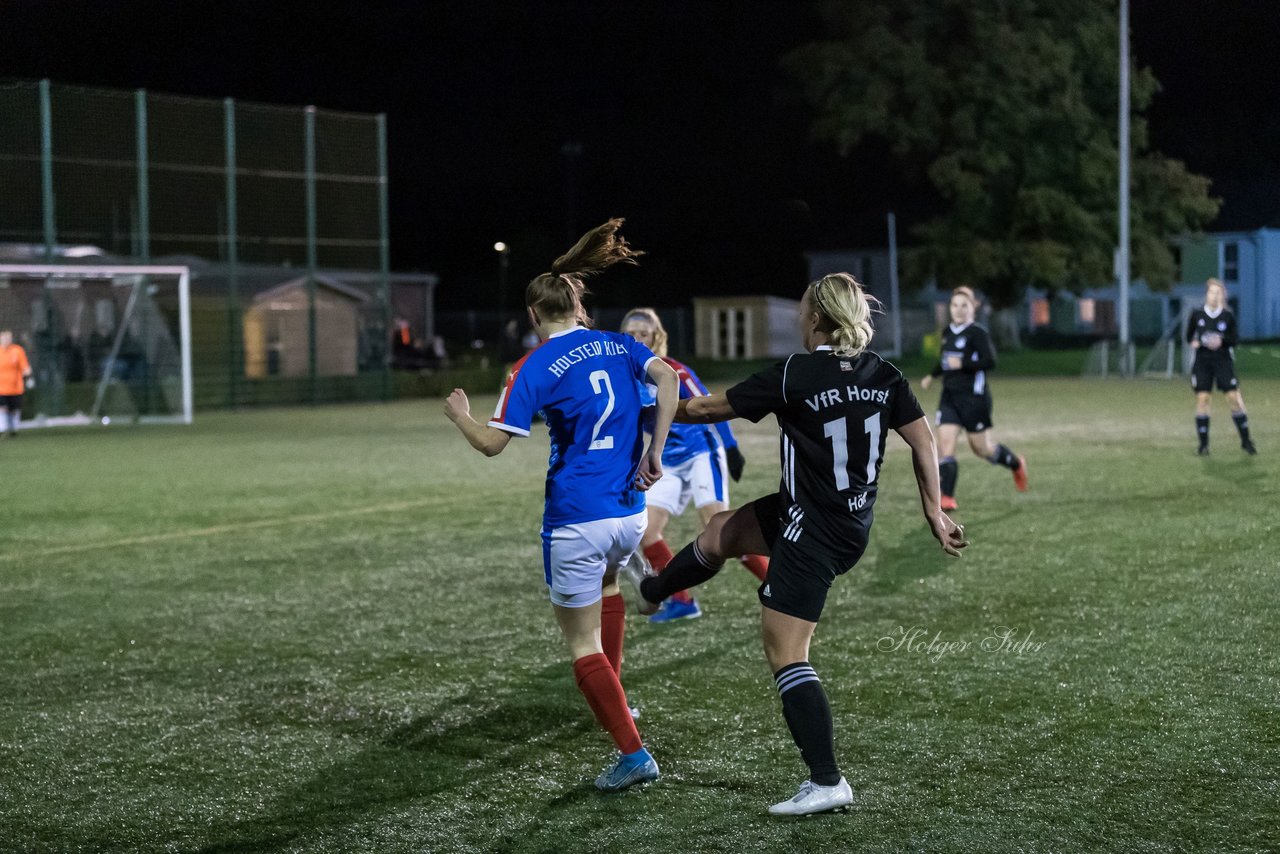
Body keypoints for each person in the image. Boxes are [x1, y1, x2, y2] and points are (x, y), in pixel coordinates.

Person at [621, 273, 967, 815]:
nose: (799, 318)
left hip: (813, 532)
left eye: (804, 310)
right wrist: (933, 514)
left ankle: (828, 781)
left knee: (785, 652)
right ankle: (654, 589)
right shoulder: (883, 373)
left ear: (818, 319)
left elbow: (708, 409)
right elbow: (922, 438)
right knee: (724, 532)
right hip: (838, 520)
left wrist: (643, 409)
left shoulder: (796, 374)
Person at [443, 219, 679, 792]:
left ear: (533, 317)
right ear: (580, 306)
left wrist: (460, 415)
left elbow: (493, 444)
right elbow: (669, 380)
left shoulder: (531, 367)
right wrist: (654, 452)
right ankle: (616, 695)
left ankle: (632, 753)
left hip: (576, 517)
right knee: (609, 590)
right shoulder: (622, 345)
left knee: (581, 645)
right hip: (628, 513)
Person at [619, 307, 770, 623]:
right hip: (666, 460)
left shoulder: (673, 371)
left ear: (656, 337)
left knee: (722, 530)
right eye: (629, 333)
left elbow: (713, 406)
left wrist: (730, 448)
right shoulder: (623, 378)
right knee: (646, 532)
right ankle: (681, 600)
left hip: (700, 452)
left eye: (642, 334)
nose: (635, 339)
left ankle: (781, 589)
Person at [919, 286, 1027, 511]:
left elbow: (990, 362)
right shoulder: (948, 332)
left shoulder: (978, 333)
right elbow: (945, 360)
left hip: (974, 400)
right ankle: (947, 497)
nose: (958, 310)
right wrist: (932, 375)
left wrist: (964, 364)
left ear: (973, 309)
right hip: (949, 397)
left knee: (982, 449)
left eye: (964, 306)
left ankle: (1016, 464)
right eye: (955, 305)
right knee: (945, 445)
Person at [1187, 278, 1256, 455]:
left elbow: (1235, 340)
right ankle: (1203, 446)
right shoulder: (1197, 315)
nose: (1214, 296)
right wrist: (1195, 341)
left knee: (1234, 398)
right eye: (1211, 292)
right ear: (1207, 294)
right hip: (1203, 362)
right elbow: (1190, 337)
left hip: (1223, 361)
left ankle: (1246, 441)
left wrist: (1222, 340)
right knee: (1203, 400)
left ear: (1222, 295)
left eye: (1218, 293)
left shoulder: (1228, 316)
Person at [0, 329, 33, 438]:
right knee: (2, 407)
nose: (6, 340)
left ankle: (13, 429)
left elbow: (25, 367)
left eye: (8, 338)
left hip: (15, 387)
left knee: (14, 410)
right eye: (4, 337)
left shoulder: (17, 350)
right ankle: (3, 427)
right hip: (1, 388)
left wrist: (28, 373)